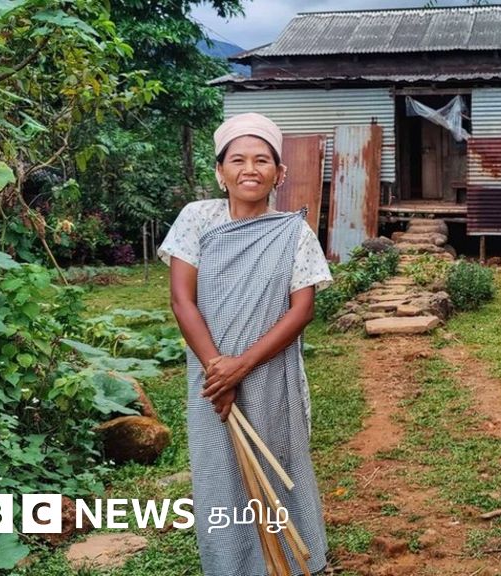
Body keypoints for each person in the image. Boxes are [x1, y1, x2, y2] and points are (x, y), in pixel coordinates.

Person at [157, 112, 332, 575]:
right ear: (220, 171)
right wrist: (218, 367)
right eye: (237, 160)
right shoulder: (196, 219)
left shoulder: (294, 232)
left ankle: (291, 564)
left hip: (270, 371)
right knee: (218, 469)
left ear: (280, 172)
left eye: (261, 160)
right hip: (210, 374)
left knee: (279, 464)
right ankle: (231, 566)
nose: (249, 169)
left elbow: (301, 310)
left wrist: (242, 365)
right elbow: (182, 300)